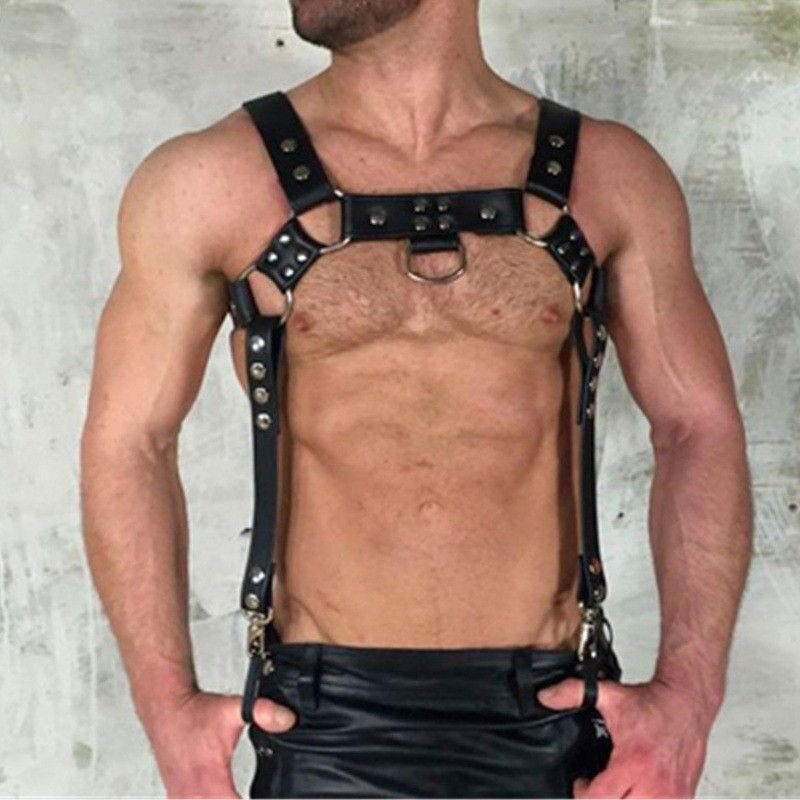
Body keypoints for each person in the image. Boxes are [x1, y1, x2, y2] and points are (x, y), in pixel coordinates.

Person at [79, 0, 753, 797]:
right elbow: (130, 440)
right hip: (322, 724)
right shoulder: (208, 182)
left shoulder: (611, 176)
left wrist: (689, 698)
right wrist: (166, 708)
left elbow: (696, 425)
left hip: (551, 716)